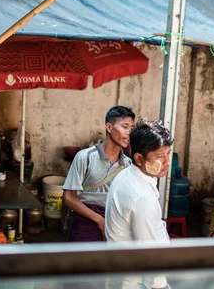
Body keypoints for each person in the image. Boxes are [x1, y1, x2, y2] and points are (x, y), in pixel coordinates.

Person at [105, 119, 174, 289]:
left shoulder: (127, 176)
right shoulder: (141, 197)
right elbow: (149, 253)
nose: (167, 161)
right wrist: (161, 286)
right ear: (138, 158)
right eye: (159, 156)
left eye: (168, 153)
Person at [62, 106, 135, 242]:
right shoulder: (85, 157)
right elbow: (69, 197)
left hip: (114, 223)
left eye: (131, 128)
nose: (129, 132)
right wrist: (99, 220)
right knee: (82, 262)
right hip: (85, 221)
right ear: (109, 127)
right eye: (125, 126)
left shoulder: (128, 165)